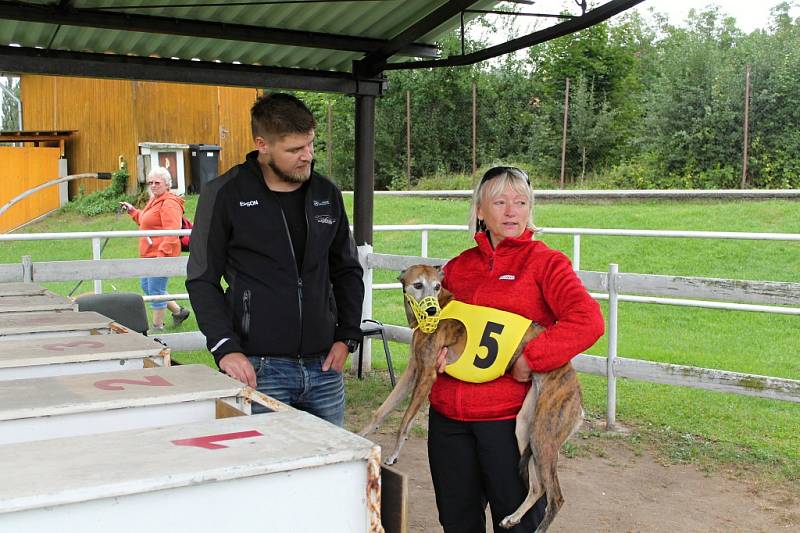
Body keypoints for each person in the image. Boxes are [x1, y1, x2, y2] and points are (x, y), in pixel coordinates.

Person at [428, 166, 605, 532]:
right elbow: (434, 326)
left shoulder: (545, 263)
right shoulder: (458, 268)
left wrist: (531, 358)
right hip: (448, 418)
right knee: (456, 522)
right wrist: (438, 351)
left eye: (521, 202)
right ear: (480, 210)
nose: (512, 211)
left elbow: (587, 320)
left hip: (505, 424)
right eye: (501, 202)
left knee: (516, 525)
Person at [185, 92, 364, 427]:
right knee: (264, 469)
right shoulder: (225, 194)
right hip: (258, 368)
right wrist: (225, 348)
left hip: (325, 368)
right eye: (295, 149)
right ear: (262, 145)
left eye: (310, 145)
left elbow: (347, 270)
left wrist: (347, 336)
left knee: (330, 469)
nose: (307, 156)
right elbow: (201, 278)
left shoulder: (326, 193)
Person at [120, 167, 191, 332]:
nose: (153, 185)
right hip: (149, 254)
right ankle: (179, 311)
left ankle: (157, 329)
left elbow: (172, 232)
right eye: (150, 182)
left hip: (160, 255)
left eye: (157, 182)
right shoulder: (154, 200)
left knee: (155, 291)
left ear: (167, 184)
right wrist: (132, 211)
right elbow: (146, 221)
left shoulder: (170, 203)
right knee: (147, 286)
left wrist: (162, 255)